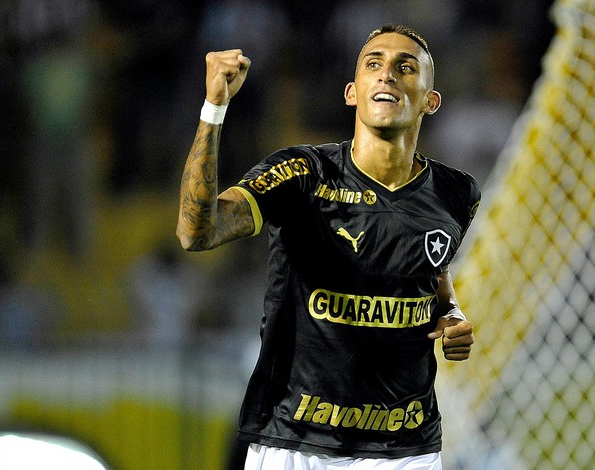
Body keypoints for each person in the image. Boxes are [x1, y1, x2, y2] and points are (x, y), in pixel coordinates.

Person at [177, 24, 480, 470]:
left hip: (404, 449)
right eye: (373, 64)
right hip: (295, 441)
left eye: (405, 67)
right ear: (352, 92)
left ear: (430, 101)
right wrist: (214, 108)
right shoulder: (302, 174)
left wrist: (450, 309)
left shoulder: (457, 193)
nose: (387, 75)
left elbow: (428, 264)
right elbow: (196, 233)